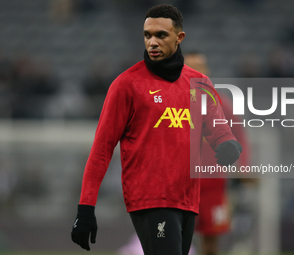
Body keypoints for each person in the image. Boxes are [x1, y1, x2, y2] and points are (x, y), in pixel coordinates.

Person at [71, 4, 242, 255]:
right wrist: (86, 208)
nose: (152, 41)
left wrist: (229, 145)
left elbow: (218, 130)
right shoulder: (126, 85)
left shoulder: (200, 84)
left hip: (187, 199)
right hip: (151, 199)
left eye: (160, 35)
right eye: (147, 35)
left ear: (179, 37)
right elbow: (101, 149)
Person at [184, 52, 251, 255]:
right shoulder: (171, 102)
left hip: (213, 186)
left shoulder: (221, 104)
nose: (196, 72)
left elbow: (239, 137)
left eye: (200, 67)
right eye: (190, 67)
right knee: (176, 239)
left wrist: (244, 168)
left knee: (212, 241)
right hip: (181, 185)